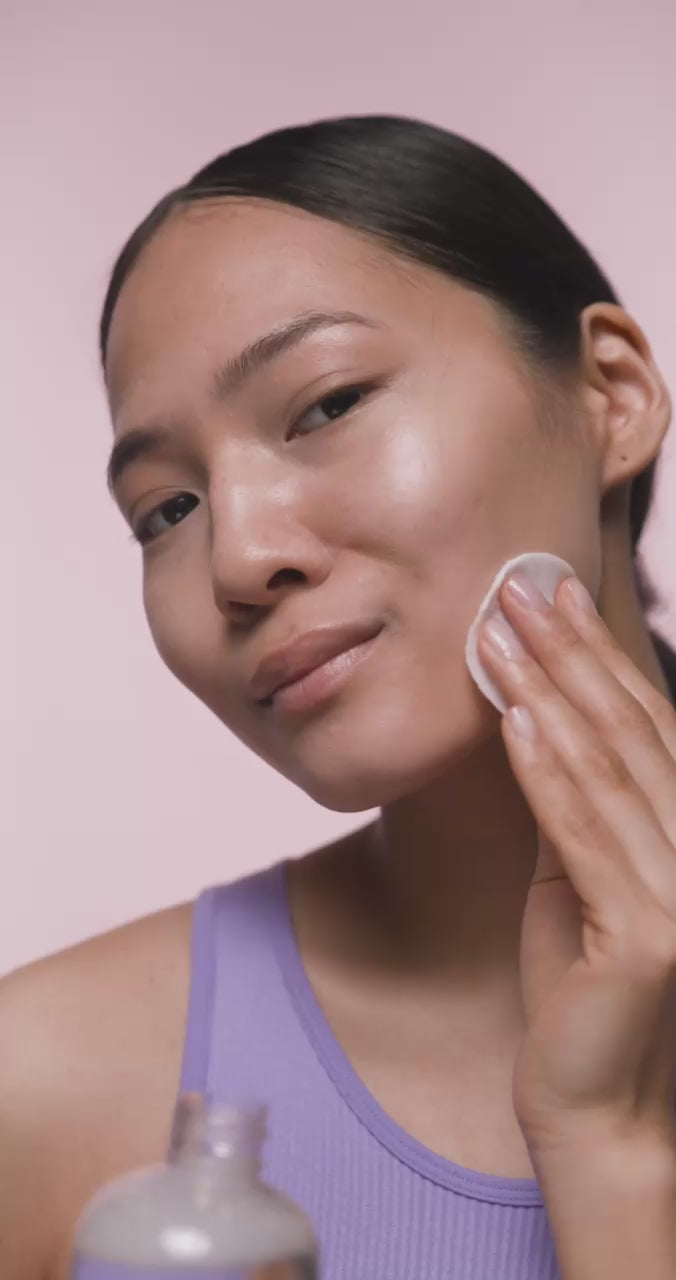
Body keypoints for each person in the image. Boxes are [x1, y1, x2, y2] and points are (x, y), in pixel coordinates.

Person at [2, 114, 675, 1280]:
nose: (238, 557)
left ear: (611, 395)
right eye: (168, 508)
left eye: (324, 405)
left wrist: (611, 1157)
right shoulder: (53, 1082)